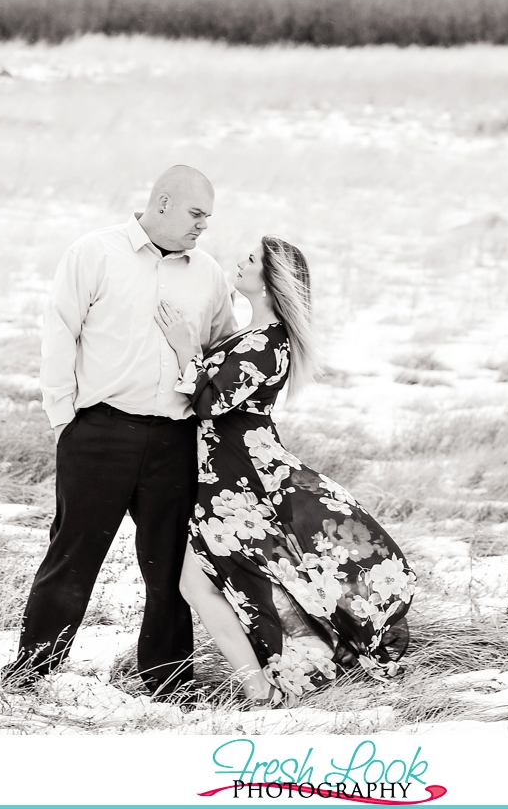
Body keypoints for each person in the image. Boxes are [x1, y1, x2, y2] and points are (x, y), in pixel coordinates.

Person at [1, 165, 237, 698]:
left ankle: (169, 683)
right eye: (196, 214)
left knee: (171, 567)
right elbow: (60, 330)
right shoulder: (95, 253)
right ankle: (30, 672)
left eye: (208, 217)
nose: (204, 227)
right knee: (74, 555)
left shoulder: (208, 274)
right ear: (162, 202)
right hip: (99, 433)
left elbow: (223, 351)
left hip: (175, 440)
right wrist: (64, 419)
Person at [155, 236, 416, 707]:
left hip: (245, 481)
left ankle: (265, 683)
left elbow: (212, 404)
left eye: (251, 260)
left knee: (200, 582)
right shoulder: (248, 335)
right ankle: (266, 680)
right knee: (217, 581)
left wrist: (183, 348)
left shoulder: (266, 343)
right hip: (228, 476)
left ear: (272, 283)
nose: (240, 261)